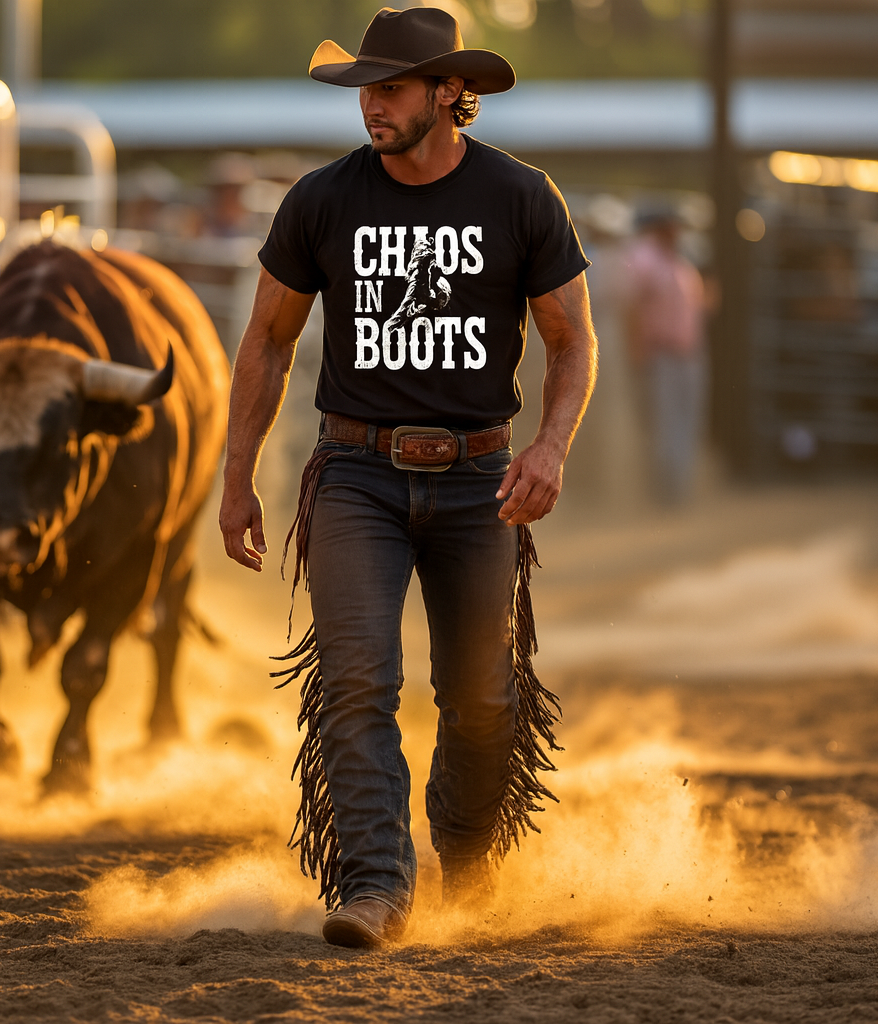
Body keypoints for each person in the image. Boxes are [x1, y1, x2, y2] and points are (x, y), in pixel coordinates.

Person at [219, 6, 597, 948]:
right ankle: (375, 886)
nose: (371, 106)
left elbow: (571, 340)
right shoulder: (321, 199)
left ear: (447, 91)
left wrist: (550, 447)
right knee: (356, 680)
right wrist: (237, 477)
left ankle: (465, 863)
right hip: (355, 473)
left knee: (483, 699)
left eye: (389, 88)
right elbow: (267, 341)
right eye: (364, 90)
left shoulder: (520, 196)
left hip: (480, 478)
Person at [622, 208, 708, 505]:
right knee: (666, 425)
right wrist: (637, 352)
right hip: (662, 353)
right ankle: (665, 493)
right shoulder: (646, 258)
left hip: (685, 353)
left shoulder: (678, 260)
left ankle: (678, 490)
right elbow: (632, 307)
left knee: (682, 423)